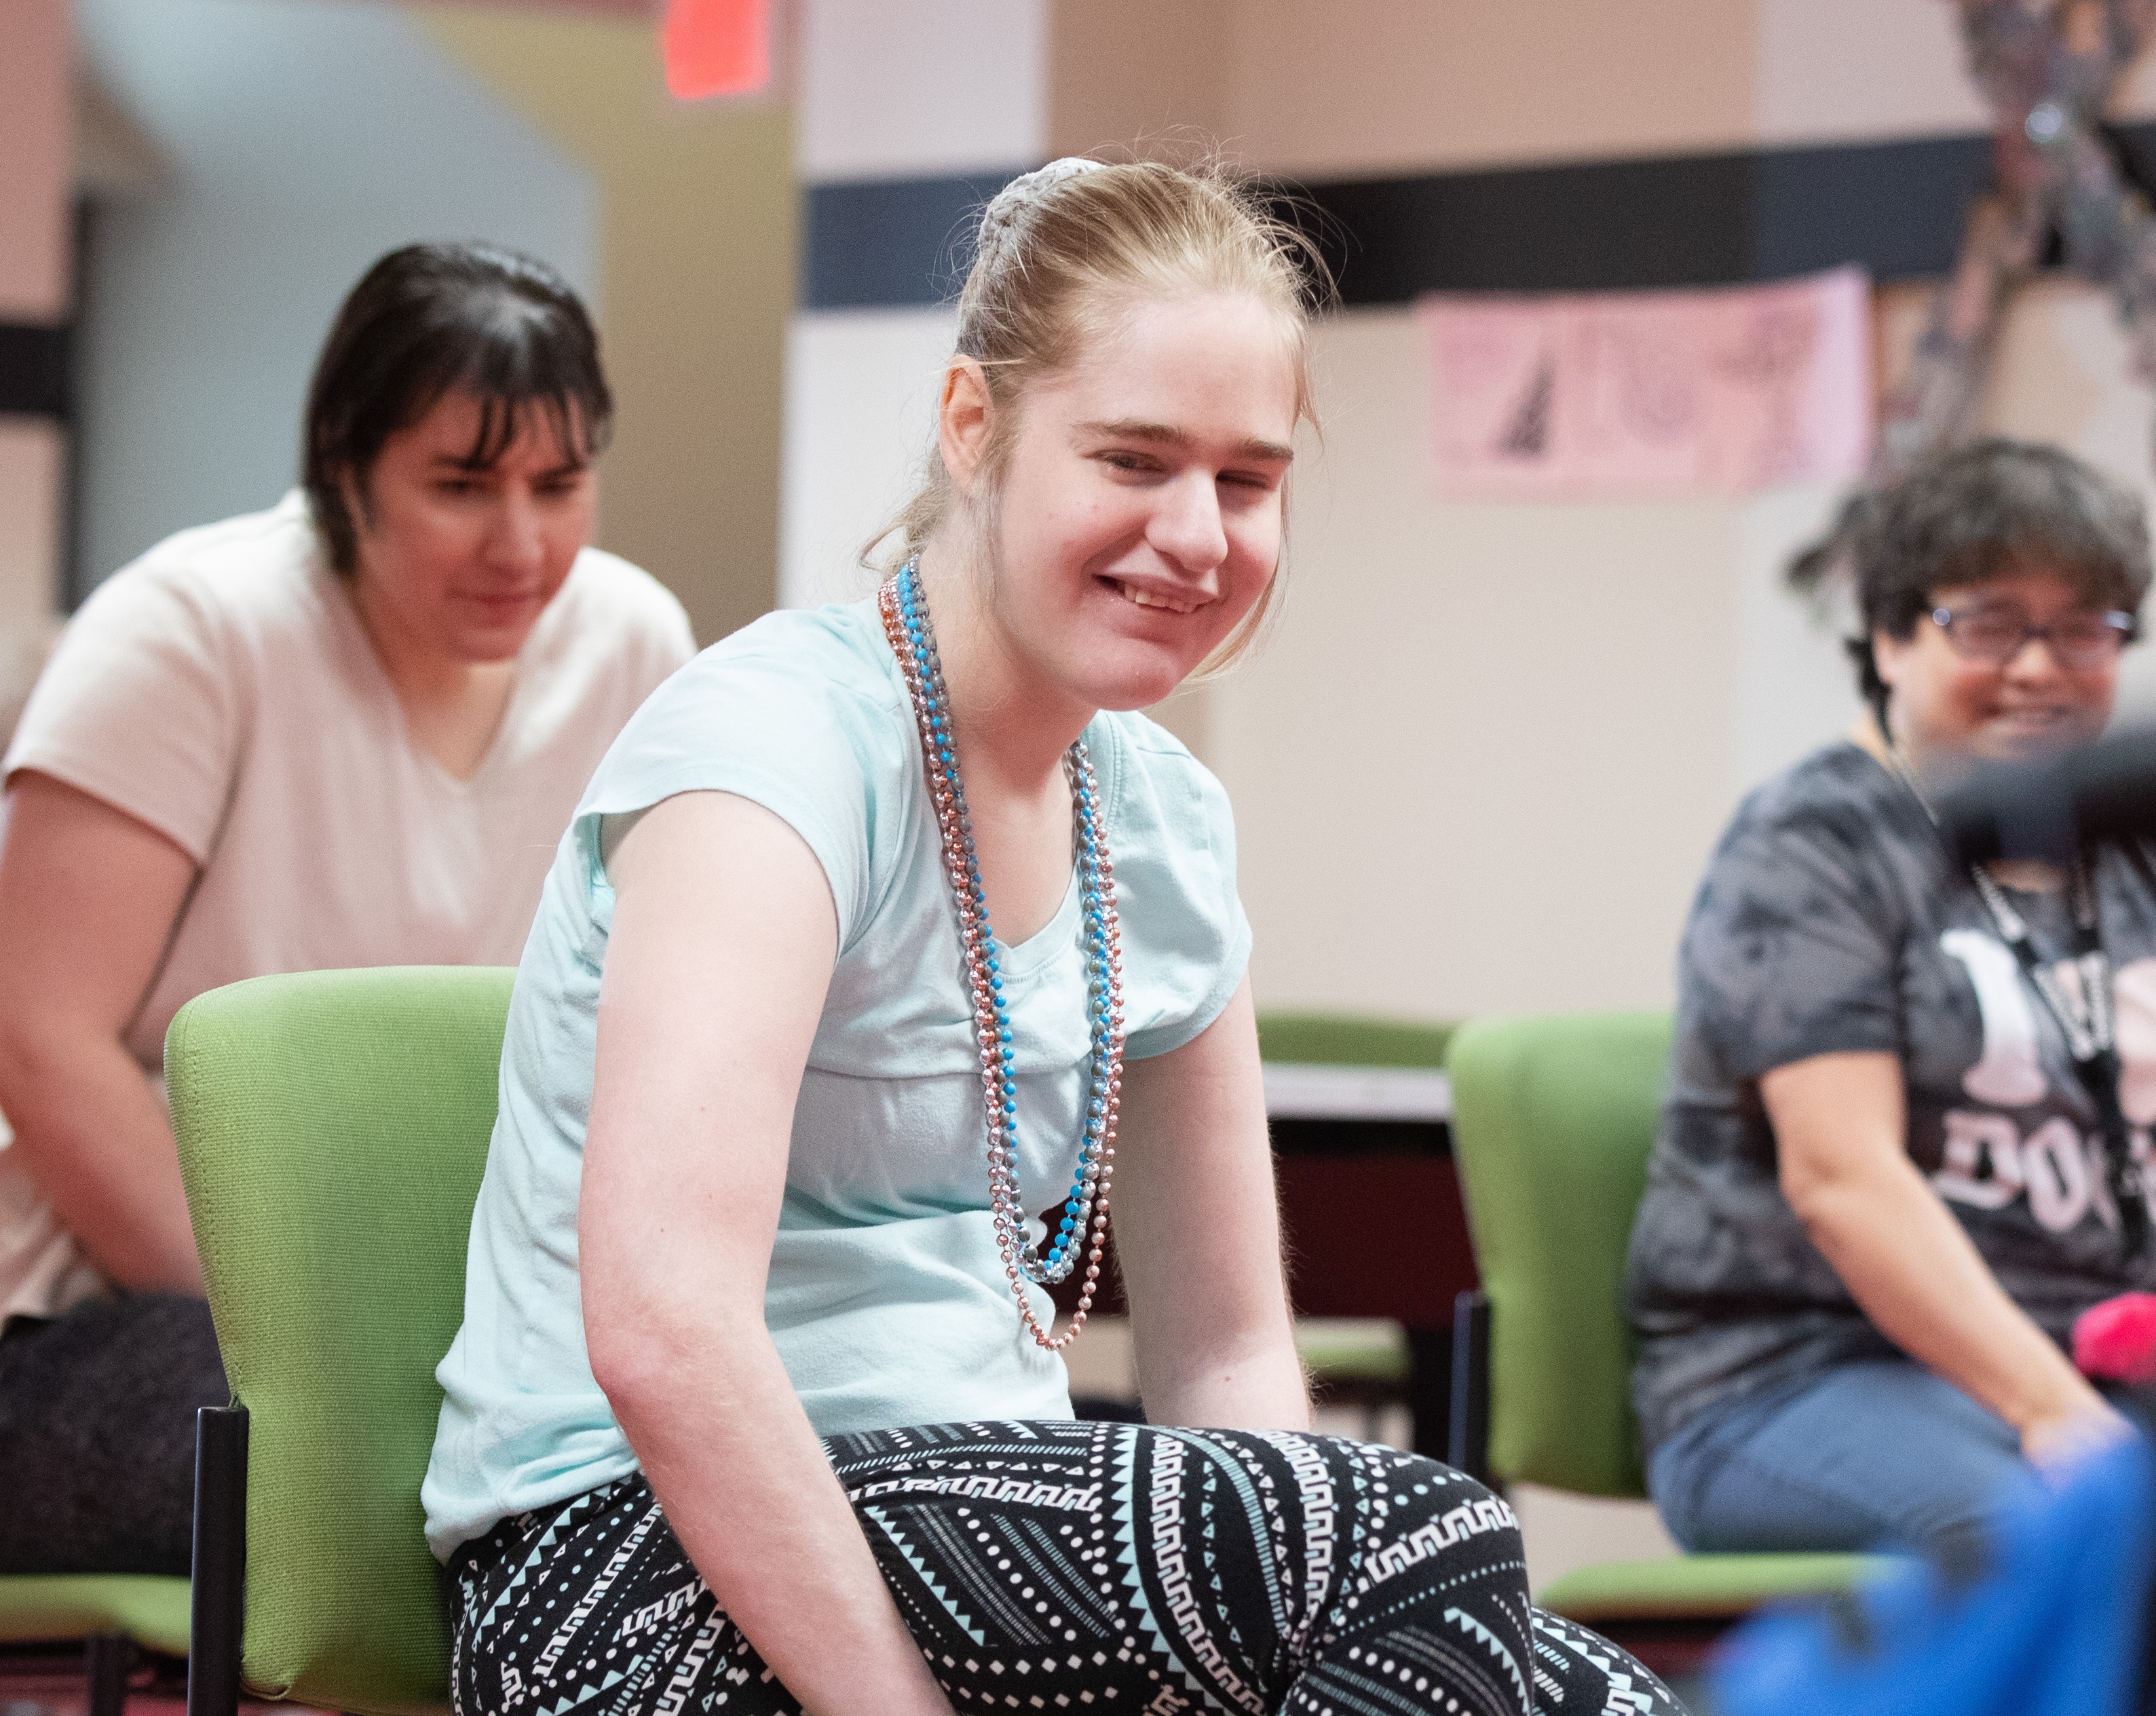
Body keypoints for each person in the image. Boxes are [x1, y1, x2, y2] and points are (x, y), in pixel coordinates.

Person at [422, 159, 1682, 1716]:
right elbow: (664, 1332)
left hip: (998, 1527)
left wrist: (1281, 1637)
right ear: (974, 426)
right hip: (629, 1572)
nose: (1195, 534)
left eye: (1245, 477)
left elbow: (1224, 1355)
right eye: (1134, 458)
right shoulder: (775, 750)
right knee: (1418, 1548)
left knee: (1601, 1697)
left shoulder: (1156, 817)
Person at [0, 242, 695, 1575]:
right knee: (384, 1467)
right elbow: (40, 1039)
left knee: (718, 1427)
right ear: (344, 464)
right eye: (459, 485)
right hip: (90, 1314)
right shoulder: (192, 631)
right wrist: (320, 1334)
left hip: (455, 1311)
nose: (521, 543)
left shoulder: (632, 641)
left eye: (559, 485)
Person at [1627, 438, 2156, 1557]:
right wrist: (2055, 1413)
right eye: (1991, 623)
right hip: (1795, 1378)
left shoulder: (2121, 851)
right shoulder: (1812, 842)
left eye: (2083, 628)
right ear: (1888, 634)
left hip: (2092, 1356)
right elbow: (1841, 1179)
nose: (2040, 667)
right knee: (2093, 1541)